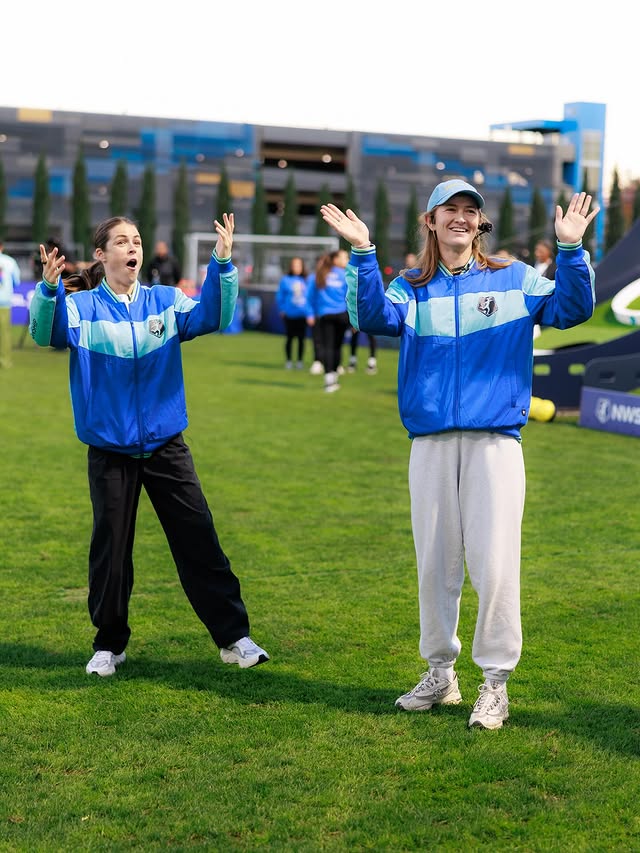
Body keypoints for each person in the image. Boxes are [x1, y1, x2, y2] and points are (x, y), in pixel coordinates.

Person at [321, 179, 598, 729]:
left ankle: (495, 683)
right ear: (430, 221)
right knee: (435, 565)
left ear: (480, 224)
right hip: (429, 442)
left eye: (470, 211)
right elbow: (368, 317)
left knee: (494, 565)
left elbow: (572, 310)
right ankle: (440, 674)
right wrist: (361, 253)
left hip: (495, 441)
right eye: (451, 210)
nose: (461, 219)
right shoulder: (410, 287)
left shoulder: (515, 279)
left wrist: (570, 248)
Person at [29, 214, 269, 676]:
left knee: (199, 541)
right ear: (102, 255)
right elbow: (47, 334)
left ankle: (234, 637)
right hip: (110, 451)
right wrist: (47, 290)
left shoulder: (166, 301)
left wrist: (221, 261)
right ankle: (109, 644)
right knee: (112, 552)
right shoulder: (82, 308)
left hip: (166, 447)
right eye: (121, 241)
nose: (132, 247)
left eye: (136, 240)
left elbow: (214, 317)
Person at [306, 248, 350, 392]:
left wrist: (310, 313)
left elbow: (309, 297)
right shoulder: (346, 275)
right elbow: (351, 298)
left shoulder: (318, 274)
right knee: (337, 346)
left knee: (328, 346)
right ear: (335, 259)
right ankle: (334, 377)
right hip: (342, 315)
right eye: (345, 258)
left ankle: (329, 379)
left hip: (325, 315)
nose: (347, 260)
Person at [276, 256, 311, 369]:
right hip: (290, 314)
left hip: (302, 314)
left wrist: (310, 313)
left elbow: (310, 297)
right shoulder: (285, 280)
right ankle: (289, 361)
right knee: (290, 338)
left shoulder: (307, 280)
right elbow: (280, 295)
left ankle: (300, 361)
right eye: (294, 265)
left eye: (298, 265)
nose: (296, 267)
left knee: (301, 339)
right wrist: (282, 309)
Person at [0, 240, 21, 368]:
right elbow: (16, 281)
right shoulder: (10, 262)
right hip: (4, 302)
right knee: (4, 333)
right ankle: (5, 361)